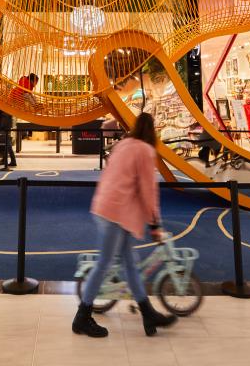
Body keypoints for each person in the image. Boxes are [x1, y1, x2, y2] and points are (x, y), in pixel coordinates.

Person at [74, 112, 177, 338]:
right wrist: (155, 224)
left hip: (107, 207)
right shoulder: (145, 150)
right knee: (105, 263)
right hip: (117, 213)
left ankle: (147, 313)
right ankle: (82, 317)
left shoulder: (124, 144)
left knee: (130, 264)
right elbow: (148, 190)